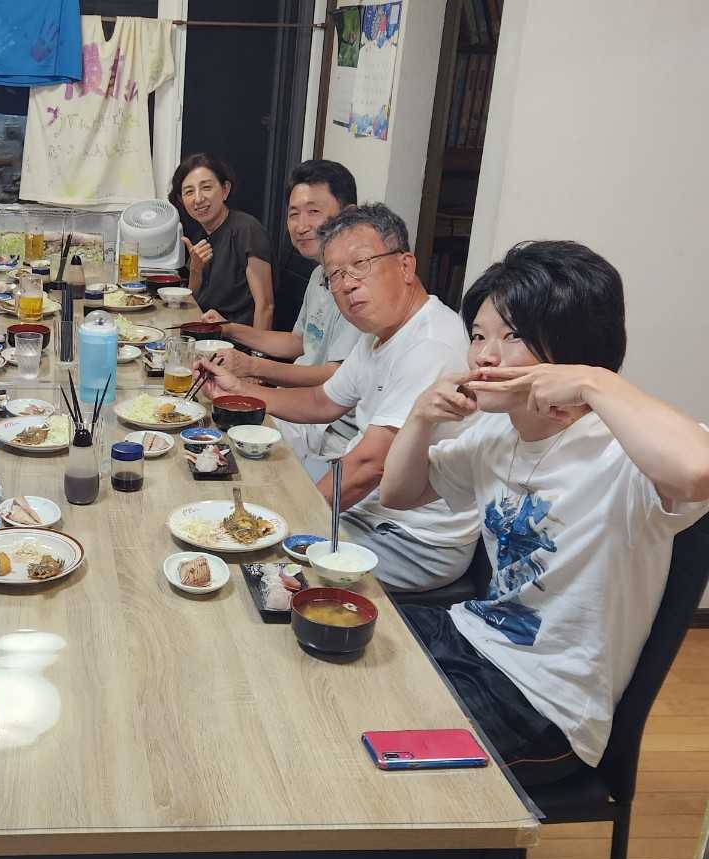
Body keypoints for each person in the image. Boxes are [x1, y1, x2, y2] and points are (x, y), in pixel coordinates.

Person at [380, 240, 709, 784]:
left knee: (356, 745)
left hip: (542, 704)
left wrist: (595, 381)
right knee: (332, 647)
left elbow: (697, 470)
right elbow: (399, 493)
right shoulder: (495, 435)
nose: (484, 357)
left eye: (512, 336)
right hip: (468, 635)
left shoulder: (622, 454)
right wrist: (420, 417)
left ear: (575, 349)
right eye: (478, 336)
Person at [197, 203, 481, 592]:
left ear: (405, 266)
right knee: (237, 491)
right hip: (366, 509)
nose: (347, 284)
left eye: (360, 264)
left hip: (410, 538)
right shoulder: (381, 334)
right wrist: (240, 389)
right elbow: (321, 402)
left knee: (264, 573)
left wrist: (291, 523)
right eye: (335, 275)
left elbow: (370, 466)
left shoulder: (430, 344)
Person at [199, 160, 363, 476]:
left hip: (329, 428)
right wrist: (228, 329)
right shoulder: (319, 274)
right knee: (209, 427)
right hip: (299, 408)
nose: (301, 225)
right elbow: (298, 342)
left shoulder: (355, 285)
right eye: (293, 214)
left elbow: (334, 376)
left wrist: (253, 367)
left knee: (225, 450)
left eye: (313, 212)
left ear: (348, 214)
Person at [168, 153, 274, 328]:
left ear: (225, 190)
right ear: (181, 200)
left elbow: (266, 306)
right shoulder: (200, 236)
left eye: (206, 187)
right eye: (189, 192)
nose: (198, 199)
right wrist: (195, 269)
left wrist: (258, 347)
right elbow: (190, 299)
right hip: (204, 332)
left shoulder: (247, 229)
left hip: (238, 339)